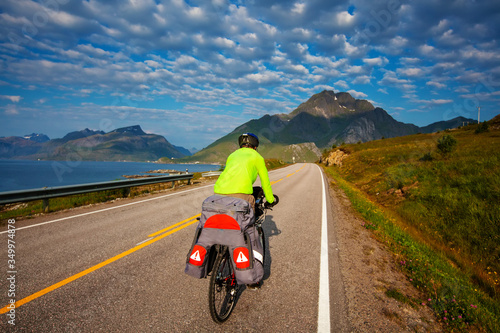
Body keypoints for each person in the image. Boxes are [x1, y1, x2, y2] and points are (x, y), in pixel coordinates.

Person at [214, 132, 278, 210]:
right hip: (241, 195)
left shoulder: (232, 155)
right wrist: (270, 200)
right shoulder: (257, 157)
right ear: (255, 147)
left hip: (217, 194)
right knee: (249, 218)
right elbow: (265, 182)